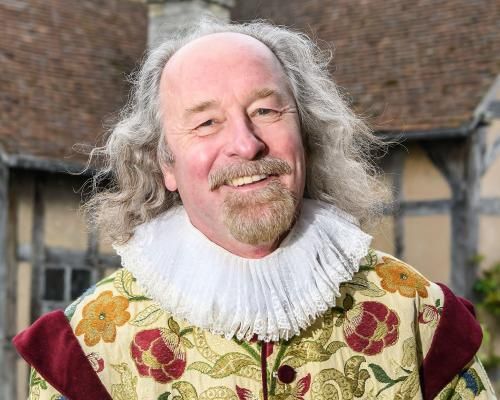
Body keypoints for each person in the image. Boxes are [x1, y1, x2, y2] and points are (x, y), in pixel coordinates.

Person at [14, 19, 496, 400]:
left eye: (266, 111)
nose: (246, 145)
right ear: (165, 164)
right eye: (206, 122)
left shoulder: (421, 318)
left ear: (306, 134)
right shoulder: (86, 349)